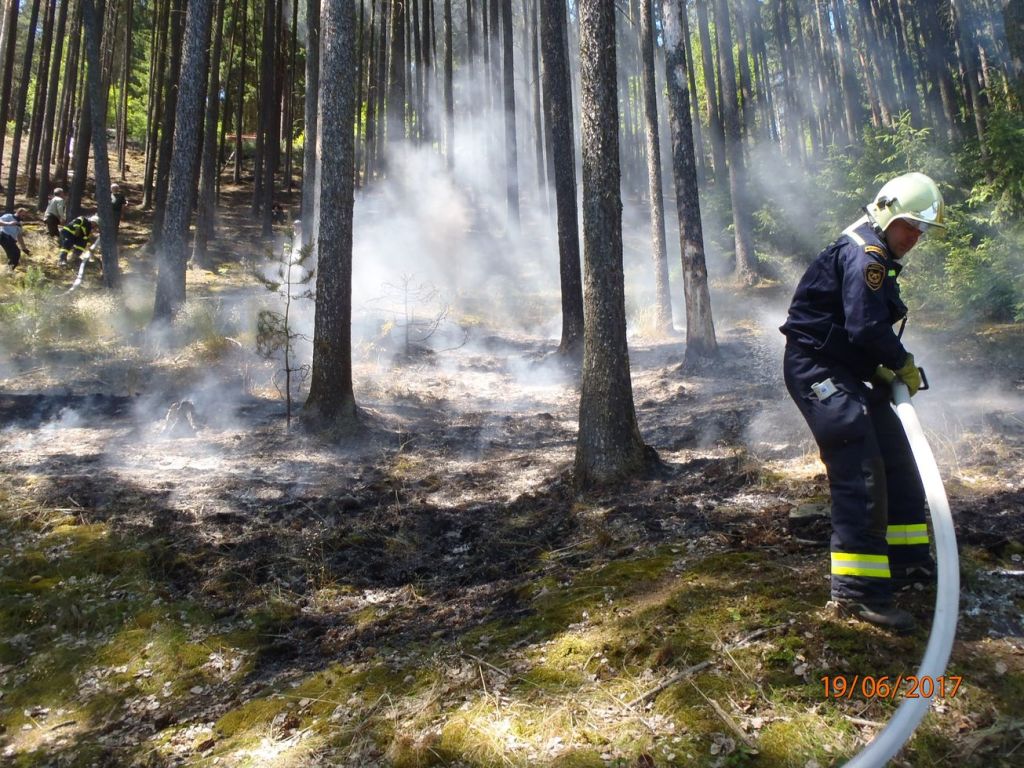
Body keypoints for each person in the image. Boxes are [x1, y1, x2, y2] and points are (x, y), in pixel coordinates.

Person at [779, 172, 946, 633]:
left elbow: (855, 333)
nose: (915, 238)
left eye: (921, 230)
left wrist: (881, 369)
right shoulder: (865, 254)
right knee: (860, 467)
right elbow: (866, 329)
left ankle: (907, 558)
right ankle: (859, 591)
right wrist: (901, 362)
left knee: (896, 453)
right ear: (888, 213)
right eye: (910, 226)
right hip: (818, 371)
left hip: (846, 368)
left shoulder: (877, 251)